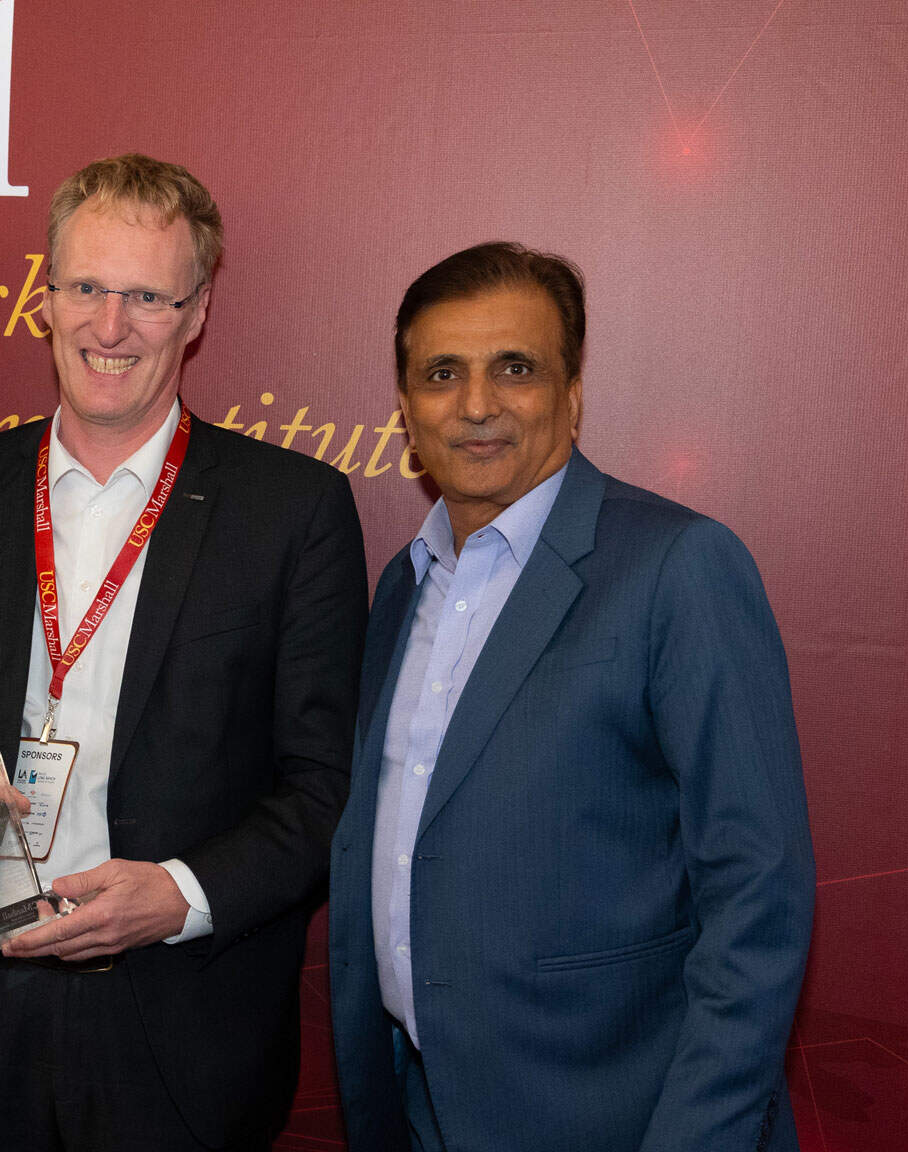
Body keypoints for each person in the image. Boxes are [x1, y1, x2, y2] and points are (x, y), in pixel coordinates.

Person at [0, 153, 370, 1151]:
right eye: (87, 288)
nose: (109, 327)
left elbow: (323, 794)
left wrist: (176, 897)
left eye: (146, 295)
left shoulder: (291, 512)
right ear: (43, 298)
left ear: (196, 314)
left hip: (178, 1023)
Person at [327, 242, 815, 1151]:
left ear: (572, 391)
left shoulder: (678, 567)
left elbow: (760, 896)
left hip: (624, 1120)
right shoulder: (403, 584)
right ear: (406, 407)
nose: (476, 405)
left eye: (515, 368)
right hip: (425, 1109)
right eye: (442, 373)